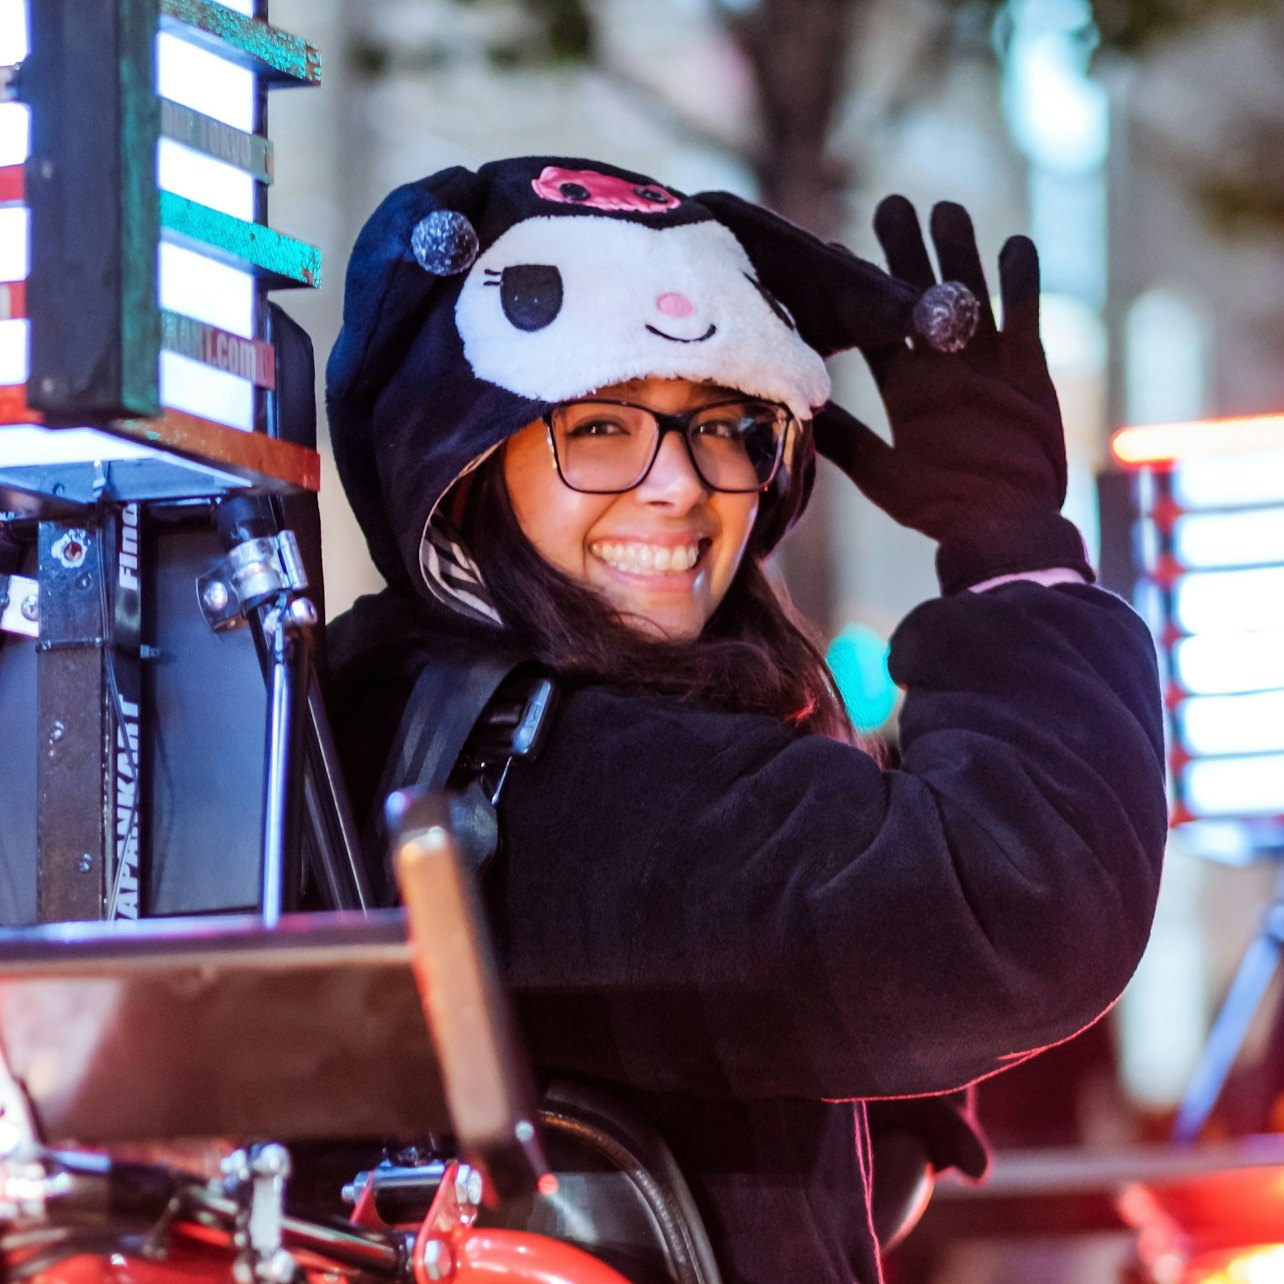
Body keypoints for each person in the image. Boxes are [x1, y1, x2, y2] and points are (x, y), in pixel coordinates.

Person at [323, 156, 1168, 1284]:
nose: (680, 485)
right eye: (604, 424)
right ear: (465, 466)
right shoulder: (556, 772)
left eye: (725, 425)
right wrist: (1016, 562)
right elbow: (1023, 907)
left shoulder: (435, 711)